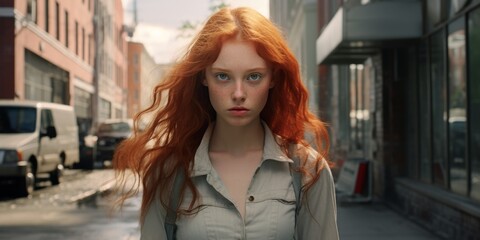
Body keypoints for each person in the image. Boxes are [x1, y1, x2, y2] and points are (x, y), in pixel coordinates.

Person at [113, 7, 339, 240]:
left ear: (272, 78)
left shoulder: (308, 171)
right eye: (223, 76)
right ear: (204, 78)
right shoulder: (168, 172)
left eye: (254, 76)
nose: (238, 93)